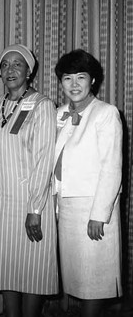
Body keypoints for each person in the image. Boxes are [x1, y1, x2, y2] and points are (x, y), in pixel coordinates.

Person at [0, 44, 58, 317]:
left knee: (32, 271)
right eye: (5, 65)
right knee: (7, 270)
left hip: (31, 203)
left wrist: (35, 209)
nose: (10, 70)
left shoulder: (42, 105)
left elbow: (44, 159)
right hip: (2, 202)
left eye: (17, 64)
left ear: (29, 70)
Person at [53, 49, 122, 317]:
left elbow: (111, 168)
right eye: (68, 78)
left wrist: (98, 215)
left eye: (81, 77)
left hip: (93, 209)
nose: (74, 85)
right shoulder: (58, 114)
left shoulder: (106, 113)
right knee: (75, 279)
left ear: (93, 80)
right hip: (65, 208)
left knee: (94, 280)